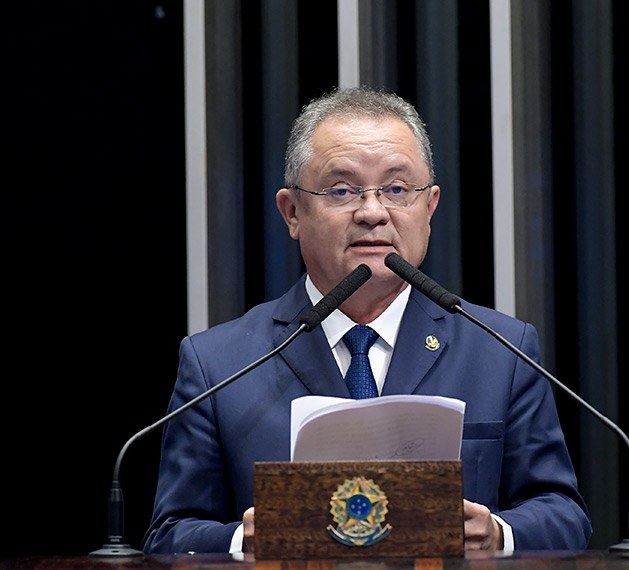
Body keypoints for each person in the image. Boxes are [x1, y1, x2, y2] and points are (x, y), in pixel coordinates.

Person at [143, 85, 592, 554]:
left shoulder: (502, 349)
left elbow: (564, 515)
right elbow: (170, 534)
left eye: (397, 189)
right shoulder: (219, 363)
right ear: (292, 212)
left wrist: (498, 534)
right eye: (342, 190)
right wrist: (243, 540)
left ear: (430, 207)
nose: (373, 212)